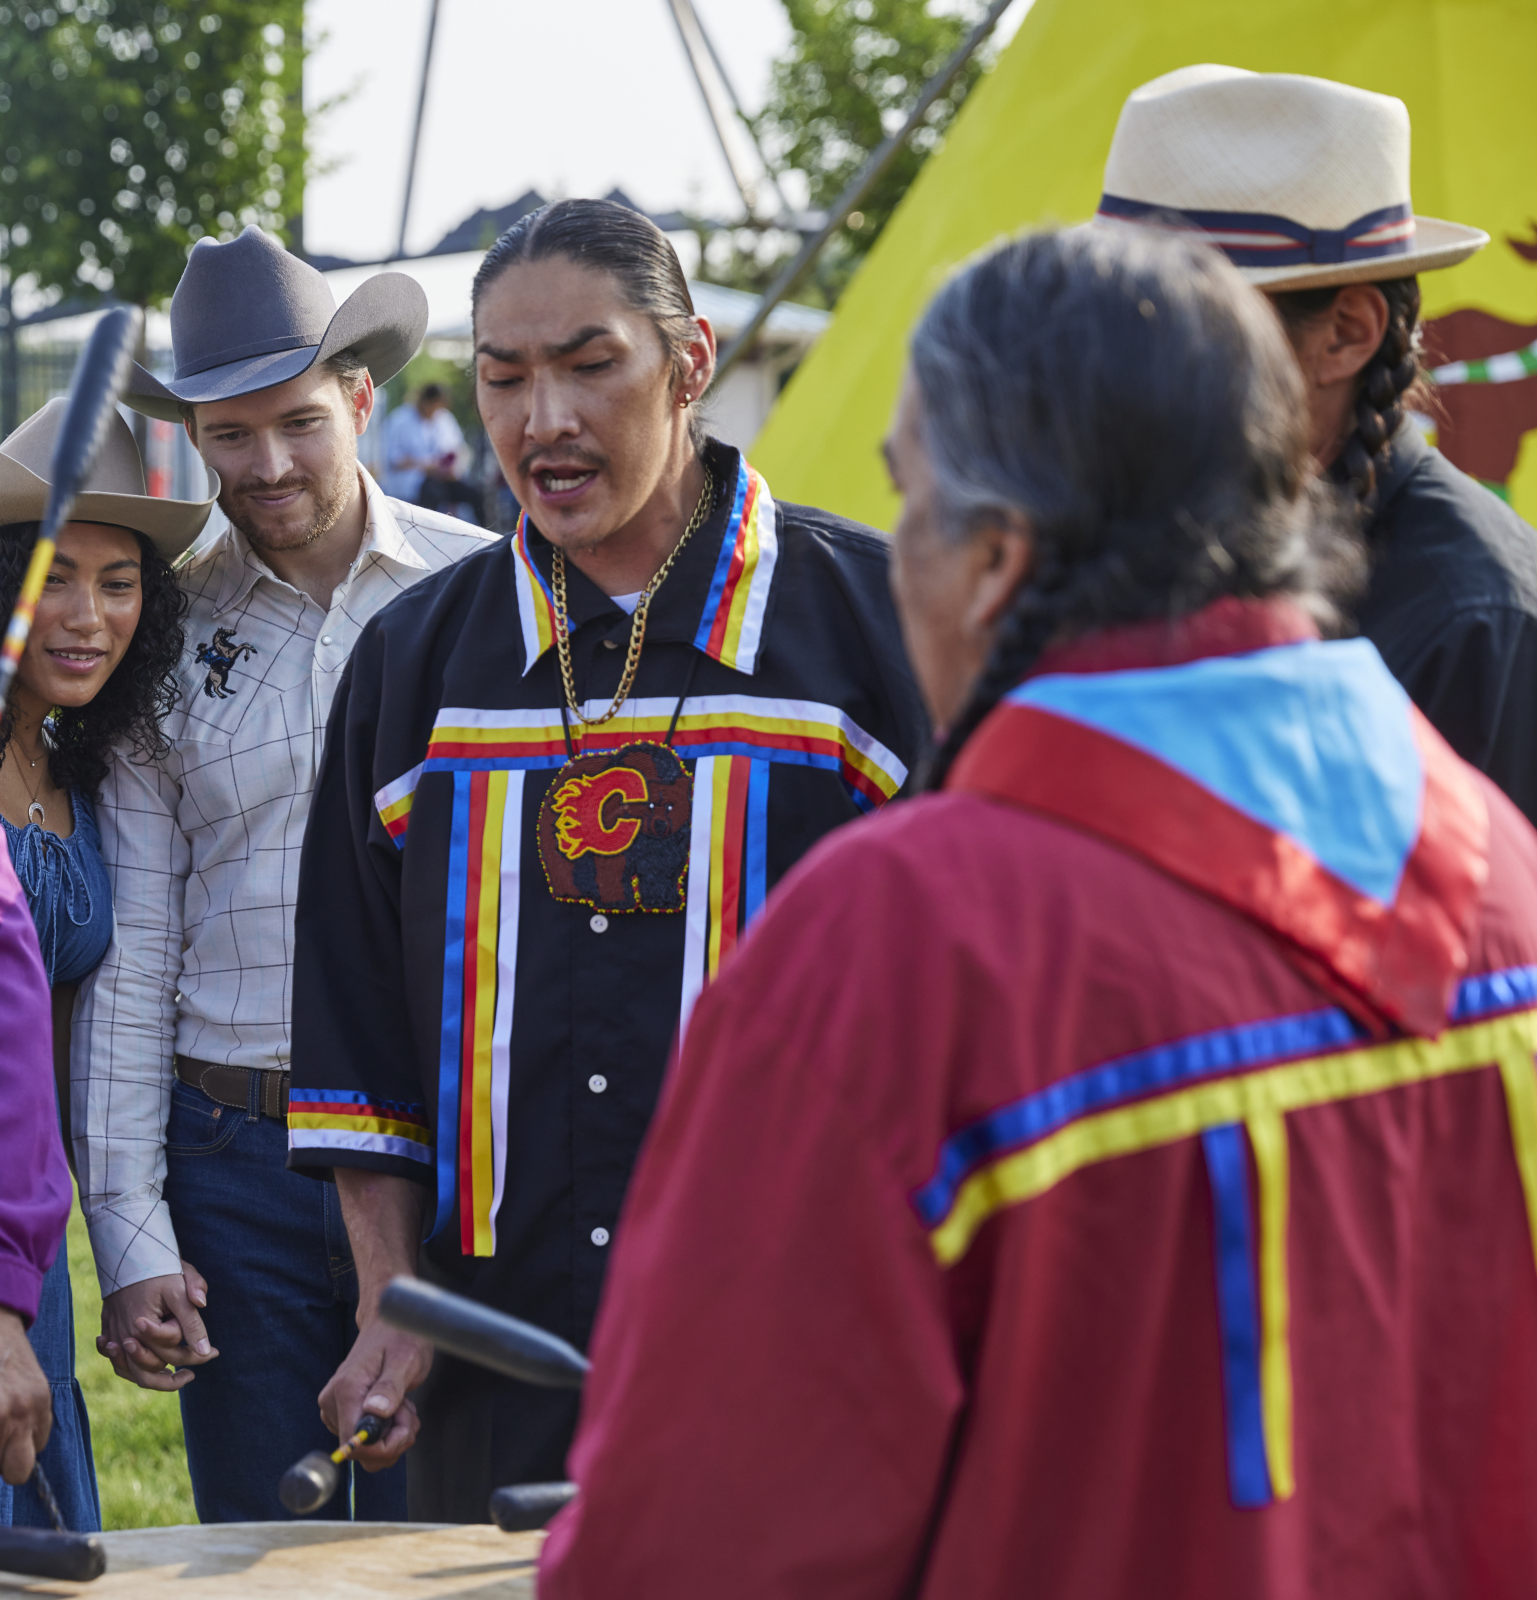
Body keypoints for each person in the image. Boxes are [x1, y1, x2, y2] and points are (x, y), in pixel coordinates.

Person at [544, 224, 1537, 1599]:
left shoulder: (903, 946)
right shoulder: (1495, 864)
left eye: (911, 499)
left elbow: (690, 1561)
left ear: (995, 559)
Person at [291, 197, 929, 1519]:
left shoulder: (881, 634)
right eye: (503, 378)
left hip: (801, 1355)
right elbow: (358, 1030)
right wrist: (390, 1298)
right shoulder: (416, 666)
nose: (545, 421)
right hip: (490, 1363)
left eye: (591, 365)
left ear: (691, 362)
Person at [74, 224, 492, 1522]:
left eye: (298, 422)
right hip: (234, 1155)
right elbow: (136, 944)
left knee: (445, 1547)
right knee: (261, 1541)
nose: (265, 465)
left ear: (360, 401)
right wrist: (131, 1230)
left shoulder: (483, 594)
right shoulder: (160, 632)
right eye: (230, 435)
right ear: (193, 439)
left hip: (443, 1150)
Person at [0, 398, 216, 1533]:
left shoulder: (78, 766)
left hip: (20, 1218)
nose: (87, 617)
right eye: (51, 578)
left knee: (38, 1530)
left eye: (119, 584)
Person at [1090, 65, 1537, 820]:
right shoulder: (1144, 537)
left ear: (1347, 335)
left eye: (1176, 317)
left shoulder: (1476, 616)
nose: (1120, 359)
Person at [385, 381, 480, 521]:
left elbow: (458, 448)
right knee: (433, 494)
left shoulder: (444, 418)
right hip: (413, 484)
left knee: (474, 494)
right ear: (425, 402)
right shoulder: (398, 420)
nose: (437, 411)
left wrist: (453, 467)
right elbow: (393, 459)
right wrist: (426, 465)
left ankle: (484, 531)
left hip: (443, 479)